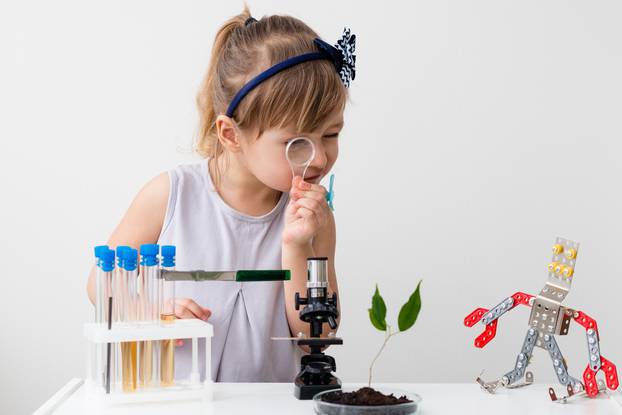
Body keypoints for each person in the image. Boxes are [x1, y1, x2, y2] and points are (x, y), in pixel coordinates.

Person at [86, 6, 356, 382]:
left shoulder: (315, 220)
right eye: (296, 142)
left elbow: (319, 337)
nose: (321, 157)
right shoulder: (169, 196)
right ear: (231, 134)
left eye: (331, 134)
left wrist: (296, 245)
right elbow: (101, 285)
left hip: (269, 407)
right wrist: (155, 309)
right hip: (176, 403)